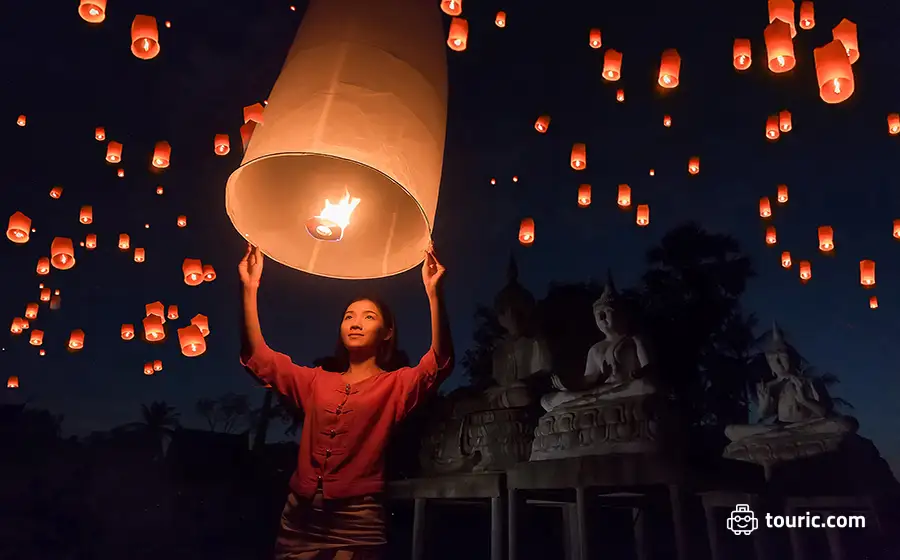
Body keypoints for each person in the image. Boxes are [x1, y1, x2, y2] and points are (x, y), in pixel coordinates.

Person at [238, 243, 453, 560]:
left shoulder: (394, 385)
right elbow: (259, 358)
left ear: (387, 332)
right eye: (349, 316)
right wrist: (249, 287)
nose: (355, 322)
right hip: (300, 518)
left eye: (368, 317)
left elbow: (440, 362)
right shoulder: (316, 381)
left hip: (358, 519)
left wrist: (434, 294)